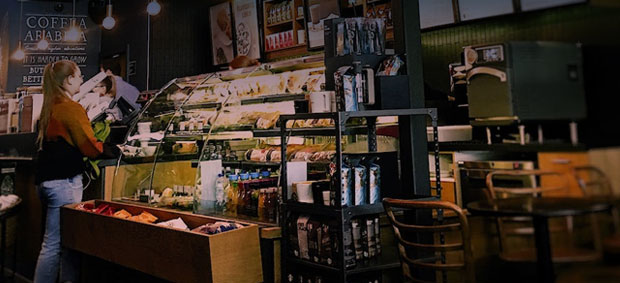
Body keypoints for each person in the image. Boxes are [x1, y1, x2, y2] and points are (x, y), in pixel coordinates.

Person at [34, 60, 104, 283]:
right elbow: (90, 148)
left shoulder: (49, 107)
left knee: (58, 242)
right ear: (68, 80)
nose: (82, 80)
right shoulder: (71, 108)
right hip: (64, 184)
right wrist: (113, 148)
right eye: (79, 75)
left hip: (45, 183)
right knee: (57, 244)